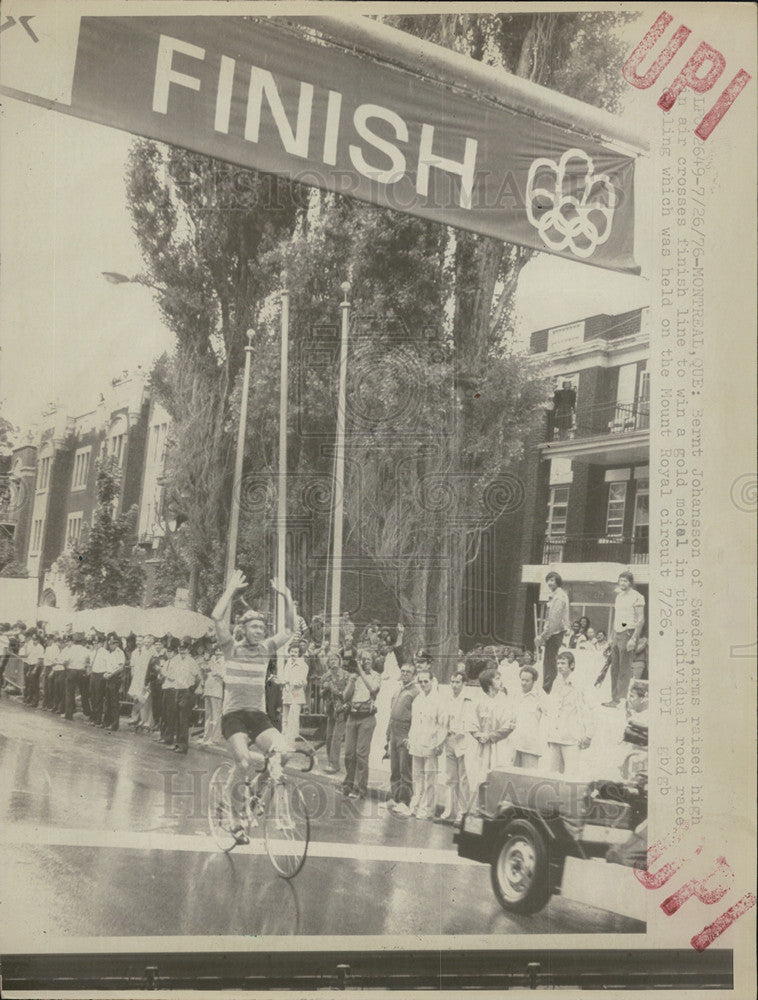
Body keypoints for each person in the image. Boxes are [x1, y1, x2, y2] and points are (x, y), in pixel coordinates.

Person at [212, 570, 296, 845]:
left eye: (262, 628)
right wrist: (230, 591)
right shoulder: (231, 648)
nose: (259, 631)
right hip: (234, 716)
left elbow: (290, 630)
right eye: (254, 628)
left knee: (283, 753)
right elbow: (216, 617)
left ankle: (255, 797)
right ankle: (234, 818)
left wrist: (286, 596)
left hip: (257, 715)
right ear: (244, 630)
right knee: (244, 761)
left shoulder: (266, 649)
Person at [407, 665, 446, 820]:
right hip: (417, 742)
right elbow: (414, 722)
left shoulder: (438, 700)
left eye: (425, 681)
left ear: (432, 681)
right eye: (421, 682)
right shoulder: (418, 699)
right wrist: (410, 739)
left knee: (430, 779)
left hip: (431, 743)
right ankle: (415, 806)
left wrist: (439, 743)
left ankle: (427, 810)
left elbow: (443, 724)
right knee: (417, 777)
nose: (423, 684)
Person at [342, 647, 381, 800]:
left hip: (367, 717)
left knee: (361, 754)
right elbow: (345, 697)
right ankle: (349, 784)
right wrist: (352, 679)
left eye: (368, 660)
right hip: (353, 716)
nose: (365, 663)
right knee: (349, 753)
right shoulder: (354, 676)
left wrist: (361, 671)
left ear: (372, 662)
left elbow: (373, 689)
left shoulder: (376, 676)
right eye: (362, 660)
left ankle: (361, 788)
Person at [438, 668, 476, 824]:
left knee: (463, 778)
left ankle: (463, 812)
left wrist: (460, 733)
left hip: (463, 741)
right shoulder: (448, 699)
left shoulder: (468, 700)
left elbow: (469, 722)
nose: (454, 685)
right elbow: (444, 720)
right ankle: (449, 811)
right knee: (450, 778)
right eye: (452, 682)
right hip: (449, 740)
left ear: (464, 683)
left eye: (457, 682)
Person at [546, 650, 593, 774]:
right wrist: (549, 733)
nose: (560, 666)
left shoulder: (580, 684)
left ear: (571, 665)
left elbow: (587, 709)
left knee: (571, 775)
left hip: (571, 737)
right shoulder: (556, 683)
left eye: (563, 663)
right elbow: (552, 709)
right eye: (558, 663)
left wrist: (588, 735)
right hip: (556, 737)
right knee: (553, 775)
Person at [605, 572, 646, 708]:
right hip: (617, 633)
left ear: (630, 583)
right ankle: (614, 699)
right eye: (620, 581)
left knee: (625, 668)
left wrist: (633, 638)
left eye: (625, 581)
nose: (622, 583)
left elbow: (640, 620)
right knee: (614, 668)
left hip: (628, 633)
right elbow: (617, 618)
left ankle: (622, 699)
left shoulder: (637, 597)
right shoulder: (619, 597)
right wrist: (611, 636)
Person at [385, 659, 419, 817]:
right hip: (394, 730)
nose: (405, 674)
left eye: (408, 672)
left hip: (405, 731)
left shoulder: (415, 692)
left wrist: (411, 736)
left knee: (405, 768)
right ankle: (395, 797)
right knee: (394, 768)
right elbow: (392, 712)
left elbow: (416, 717)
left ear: (414, 675)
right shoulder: (399, 689)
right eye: (403, 671)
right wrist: (388, 733)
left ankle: (405, 801)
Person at [472, 666, 513, 787]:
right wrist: (477, 735)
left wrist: (491, 736)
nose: (501, 681)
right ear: (489, 683)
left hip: (501, 744)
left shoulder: (505, 700)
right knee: (482, 777)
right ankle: (483, 805)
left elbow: (509, 725)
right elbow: (471, 722)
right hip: (483, 746)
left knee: (499, 777)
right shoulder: (479, 701)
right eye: (497, 678)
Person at [535, 571, 570, 694]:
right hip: (554, 632)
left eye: (552, 580)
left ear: (557, 581)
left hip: (555, 633)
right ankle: (548, 688)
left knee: (550, 663)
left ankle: (547, 689)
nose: (549, 583)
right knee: (549, 662)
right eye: (548, 580)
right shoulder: (556, 595)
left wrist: (543, 636)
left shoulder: (559, 596)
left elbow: (554, 620)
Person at [510, 665, 549, 769]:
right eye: (522, 680)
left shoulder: (540, 695)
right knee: (513, 777)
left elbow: (550, 715)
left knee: (528, 778)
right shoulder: (516, 694)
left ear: (534, 681)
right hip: (515, 744)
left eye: (527, 680)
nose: (523, 683)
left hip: (531, 746)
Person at [169, 636, 202, 753]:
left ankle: (183, 745)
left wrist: (191, 690)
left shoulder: (191, 662)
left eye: (184, 648)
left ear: (188, 650)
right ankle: (177, 743)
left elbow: (198, 678)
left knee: (183, 720)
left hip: (187, 692)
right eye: (180, 648)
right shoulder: (177, 660)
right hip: (178, 690)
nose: (181, 650)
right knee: (177, 718)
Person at [319, 652, 350, 774]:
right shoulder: (325, 676)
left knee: (337, 737)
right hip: (330, 709)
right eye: (331, 659)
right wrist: (325, 688)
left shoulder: (345, 675)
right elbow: (320, 693)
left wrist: (331, 687)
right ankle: (330, 761)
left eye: (335, 659)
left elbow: (347, 693)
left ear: (339, 661)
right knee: (329, 737)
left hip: (342, 708)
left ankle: (334, 764)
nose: (333, 661)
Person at [278, 638, 309, 748]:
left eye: (296, 652)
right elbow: (284, 677)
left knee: (293, 718)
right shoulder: (287, 664)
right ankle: (284, 740)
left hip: (296, 694)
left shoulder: (303, 665)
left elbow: (302, 681)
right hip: (287, 693)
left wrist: (291, 682)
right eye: (292, 651)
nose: (293, 654)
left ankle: (291, 742)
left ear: (299, 653)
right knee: (285, 717)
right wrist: (282, 681)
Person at [63, 632, 91, 720]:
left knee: (70, 693)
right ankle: (87, 712)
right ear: (81, 641)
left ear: (74, 641)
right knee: (84, 693)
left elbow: (65, 661)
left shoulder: (71, 650)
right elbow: (89, 661)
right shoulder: (86, 650)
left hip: (72, 671)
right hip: (82, 672)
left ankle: (69, 714)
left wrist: (66, 667)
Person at [199, 645, 224, 746]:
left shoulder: (225, 662)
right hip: (208, 689)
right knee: (208, 715)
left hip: (217, 690)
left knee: (216, 715)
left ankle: (215, 739)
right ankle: (206, 737)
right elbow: (205, 672)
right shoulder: (211, 661)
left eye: (220, 651)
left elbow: (225, 676)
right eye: (216, 651)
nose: (217, 653)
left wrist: (218, 672)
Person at [102, 633, 126, 731]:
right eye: (109, 643)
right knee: (107, 701)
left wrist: (111, 674)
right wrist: (105, 673)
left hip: (115, 678)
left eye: (113, 643)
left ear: (117, 644)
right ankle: (107, 722)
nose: (110, 645)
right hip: (108, 677)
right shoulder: (110, 653)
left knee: (114, 702)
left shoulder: (119, 653)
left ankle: (114, 724)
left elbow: (120, 667)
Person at [127, 635, 149, 728]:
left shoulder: (147, 652)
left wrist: (146, 680)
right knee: (135, 698)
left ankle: (143, 720)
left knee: (143, 699)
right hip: (136, 678)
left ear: (143, 642)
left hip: (144, 678)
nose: (139, 642)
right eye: (137, 641)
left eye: (140, 641)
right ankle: (134, 718)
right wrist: (133, 676)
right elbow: (132, 665)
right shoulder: (134, 652)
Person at [88, 633, 109, 727]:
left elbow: (108, 665)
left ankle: (98, 719)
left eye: (97, 642)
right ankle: (93, 717)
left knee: (98, 697)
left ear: (101, 643)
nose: (95, 644)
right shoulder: (92, 652)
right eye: (94, 642)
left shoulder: (105, 653)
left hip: (101, 675)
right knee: (92, 697)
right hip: (93, 674)